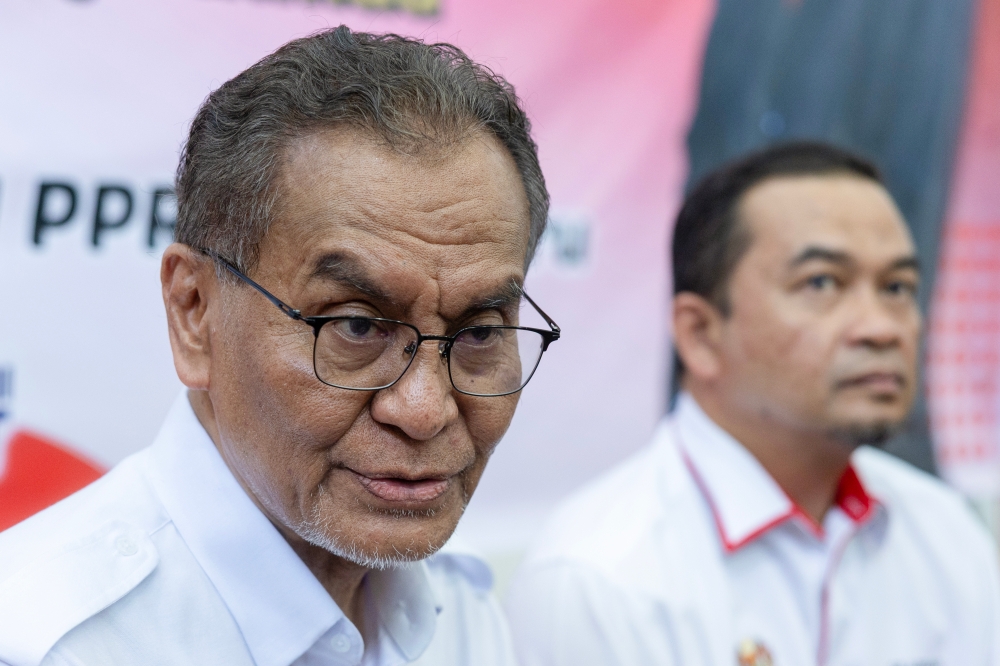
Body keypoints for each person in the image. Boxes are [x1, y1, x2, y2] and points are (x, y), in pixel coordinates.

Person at [0, 26, 560, 666]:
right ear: (194, 312)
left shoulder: (459, 618)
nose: (425, 408)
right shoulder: (47, 644)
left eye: (480, 333)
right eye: (355, 326)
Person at [505, 142, 1000, 666]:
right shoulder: (594, 578)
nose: (881, 328)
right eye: (822, 282)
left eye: (898, 287)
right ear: (700, 334)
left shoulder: (944, 533)